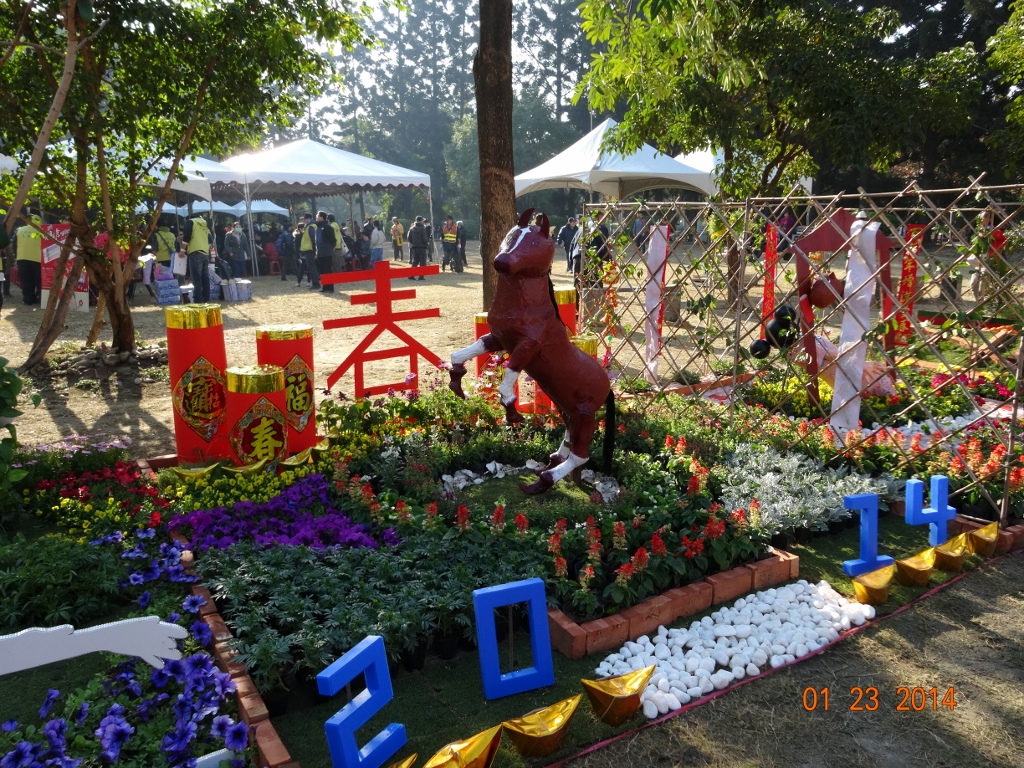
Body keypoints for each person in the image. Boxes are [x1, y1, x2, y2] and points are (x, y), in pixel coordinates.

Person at [182, 214, 214, 302]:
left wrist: (182, 250)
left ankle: (198, 300)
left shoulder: (191, 222)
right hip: (205, 254)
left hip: (195, 253)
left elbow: (187, 237)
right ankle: (206, 298)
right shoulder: (204, 225)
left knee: (196, 278)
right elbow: (211, 240)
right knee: (205, 278)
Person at [14, 214, 43, 305]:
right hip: (37, 259)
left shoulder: (19, 231)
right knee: (39, 280)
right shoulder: (42, 232)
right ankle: (41, 298)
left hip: (22, 258)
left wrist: (16, 257)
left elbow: (15, 245)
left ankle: (28, 299)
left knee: (26, 280)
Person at [297, 213, 320, 290]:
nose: (303, 220)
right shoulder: (309, 226)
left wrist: (315, 250)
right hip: (309, 249)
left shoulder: (310, 227)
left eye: (305, 219)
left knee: (312, 268)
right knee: (311, 267)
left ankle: (316, 284)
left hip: (310, 250)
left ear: (309, 218)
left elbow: (314, 239)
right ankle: (315, 283)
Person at [315, 210, 336, 293]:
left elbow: (333, 239)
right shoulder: (318, 227)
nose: (316, 216)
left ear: (322, 217)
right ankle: (325, 287)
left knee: (328, 270)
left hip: (327, 252)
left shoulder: (327, 227)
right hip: (320, 252)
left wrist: (331, 247)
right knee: (322, 270)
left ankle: (330, 288)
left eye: (317, 215)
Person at [407, 216, 429, 280]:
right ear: (420, 221)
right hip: (422, 247)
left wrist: (412, 242)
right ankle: (421, 276)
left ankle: (411, 275)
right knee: (422, 262)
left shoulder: (412, 228)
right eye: (422, 220)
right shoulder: (423, 228)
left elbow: (409, 237)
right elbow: (425, 238)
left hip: (415, 247)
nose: (423, 221)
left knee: (415, 261)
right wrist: (426, 243)